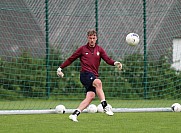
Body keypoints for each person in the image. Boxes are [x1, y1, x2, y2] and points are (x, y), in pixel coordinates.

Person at [57, 29, 122, 122]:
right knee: (98, 82)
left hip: (93, 76)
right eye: (90, 38)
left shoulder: (99, 49)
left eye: (93, 38)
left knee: (90, 96)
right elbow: (71, 59)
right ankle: (105, 106)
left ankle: (75, 114)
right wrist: (60, 68)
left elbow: (108, 60)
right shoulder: (82, 49)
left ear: (96, 38)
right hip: (85, 75)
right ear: (87, 38)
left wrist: (116, 63)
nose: (92, 40)